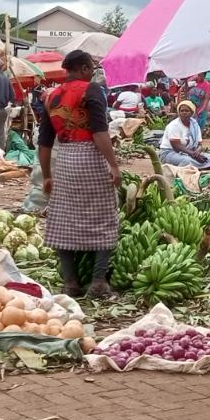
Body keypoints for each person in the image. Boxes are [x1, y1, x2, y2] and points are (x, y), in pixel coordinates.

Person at [38, 50, 121, 298]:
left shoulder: (51, 96)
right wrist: (114, 165)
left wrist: (47, 176)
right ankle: (98, 282)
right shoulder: (92, 90)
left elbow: (44, 142)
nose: (93, 73)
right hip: (90, 158)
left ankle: (70, 283)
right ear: (85, 68)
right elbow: (99, 132)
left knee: (64, 220)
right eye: (92, 69)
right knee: (105, 217)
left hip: (65, 161)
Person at [159, 100, 210, 170]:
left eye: (187, 111)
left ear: (191, 113)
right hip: (170, 153)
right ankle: (196, 169)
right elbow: (176, 145)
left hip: (189, 153)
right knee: (186, 161)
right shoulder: (174, 125)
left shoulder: (194, 125)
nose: (184, 113)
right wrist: (193, 154)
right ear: (179, 113)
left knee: (209, 157)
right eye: (182, 111)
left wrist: (198, 151)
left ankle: (201, 169)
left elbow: (199, 144)